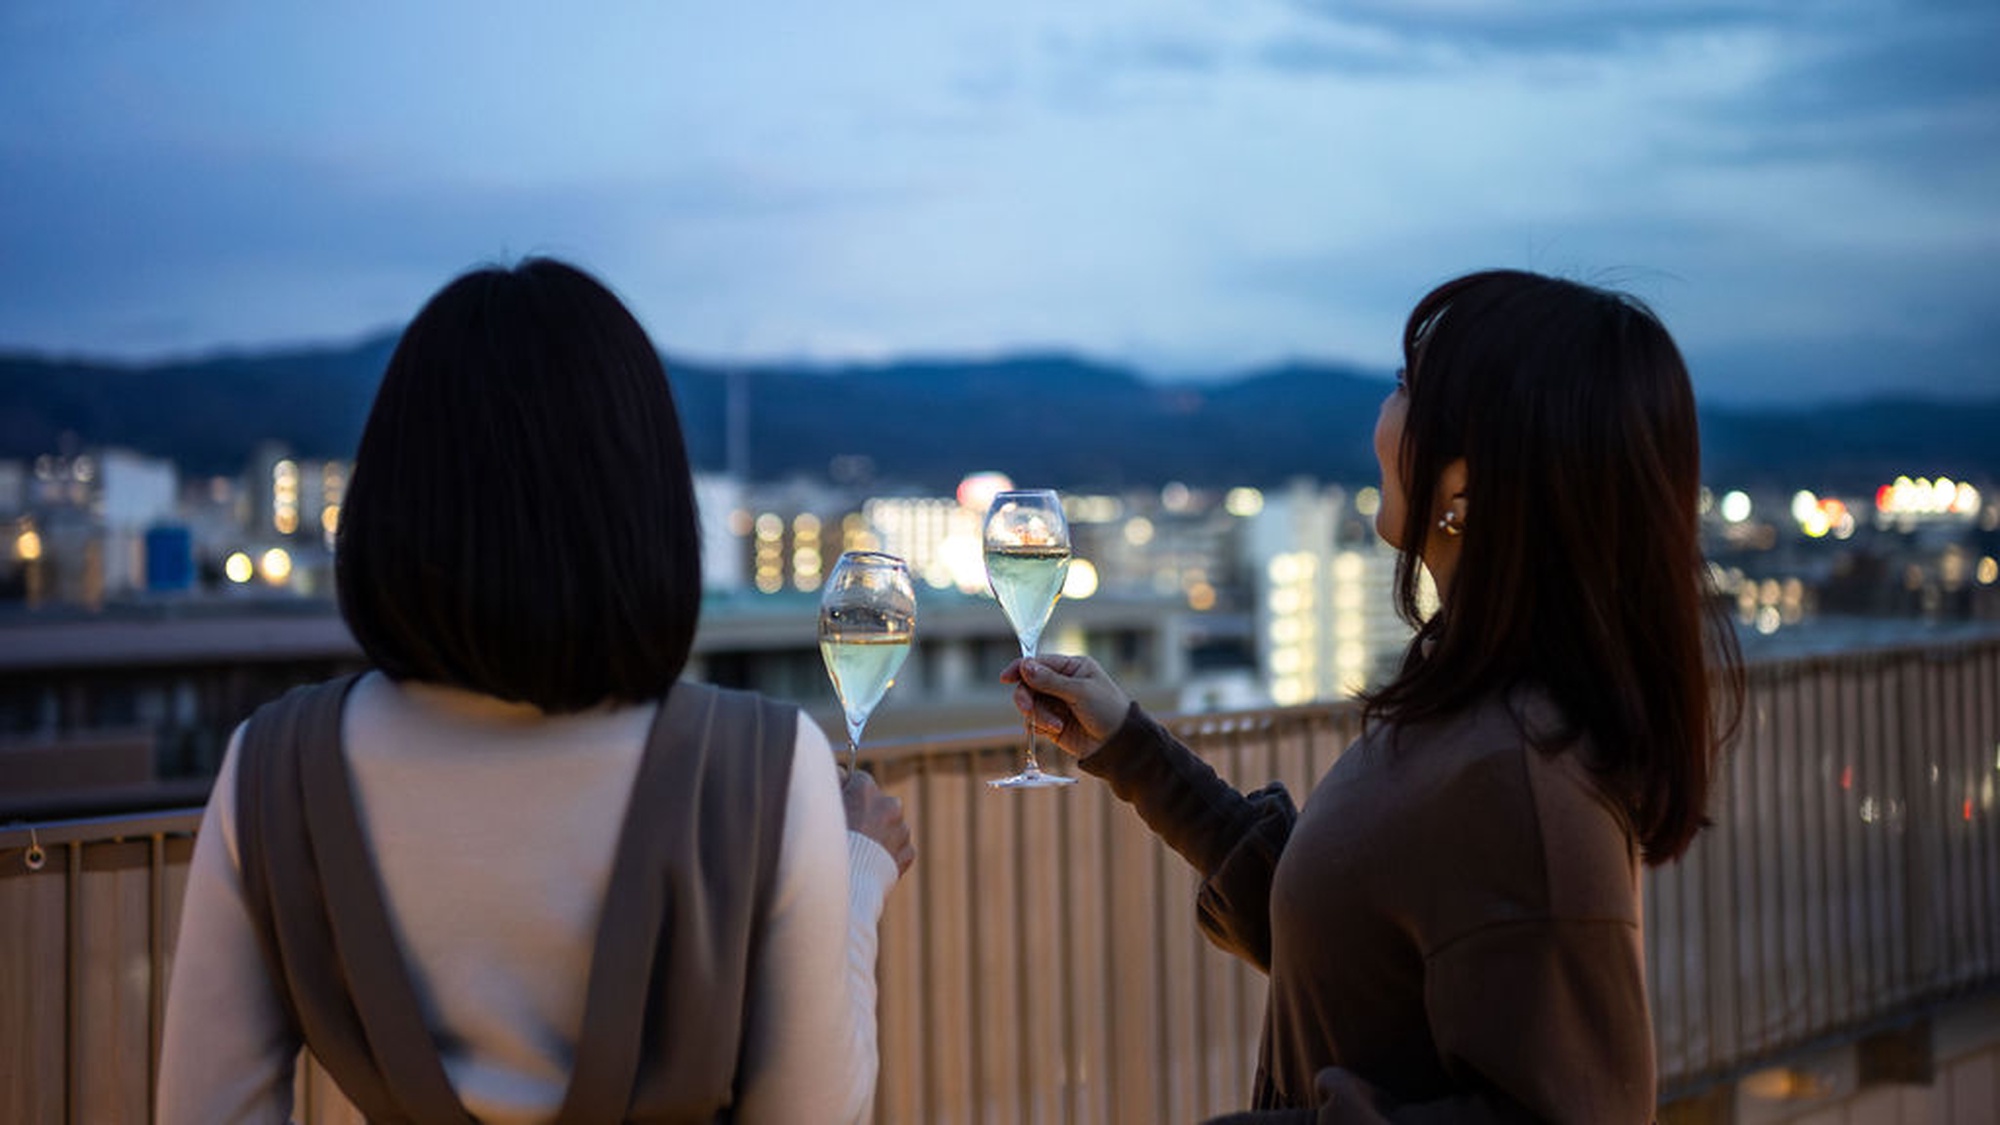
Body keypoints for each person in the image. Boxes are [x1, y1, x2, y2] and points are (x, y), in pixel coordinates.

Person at [158, 258, 914, 1125]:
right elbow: (816, 1112)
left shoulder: (273, 770)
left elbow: (206, 1106)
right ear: (647, 502)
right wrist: (858, 869)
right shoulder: (764, 764)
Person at [1005, 269, 1744, 1123]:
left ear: (1463, 488)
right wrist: (1131, 748)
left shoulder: (1523, 775)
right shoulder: (1476, 708)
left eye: (1405, 386)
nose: (1381, 419)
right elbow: (1349, 948)